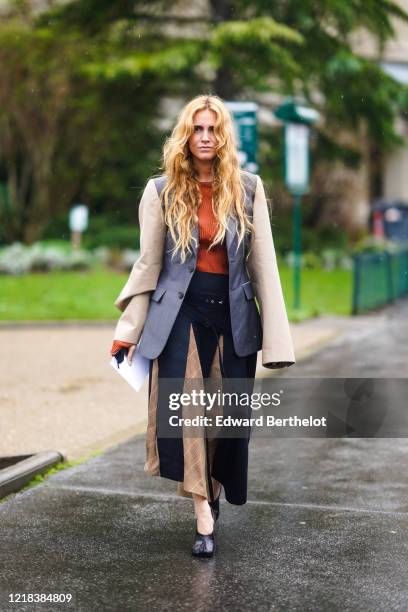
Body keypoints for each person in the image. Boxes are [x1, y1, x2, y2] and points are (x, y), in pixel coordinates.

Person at [110, 94, 295, 558]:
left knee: (225, 421)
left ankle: (212, 489)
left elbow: (264, 266)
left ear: (224, 135)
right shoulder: (160, 191)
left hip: (233, 317)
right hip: (179, 316)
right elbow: (148, 265)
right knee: (189, 417)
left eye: (213, 129)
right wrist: (128, 330)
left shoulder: (249, 188)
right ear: (185, 135)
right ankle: (202, 516)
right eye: (198, 129)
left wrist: (277, 340)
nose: (206, 137)